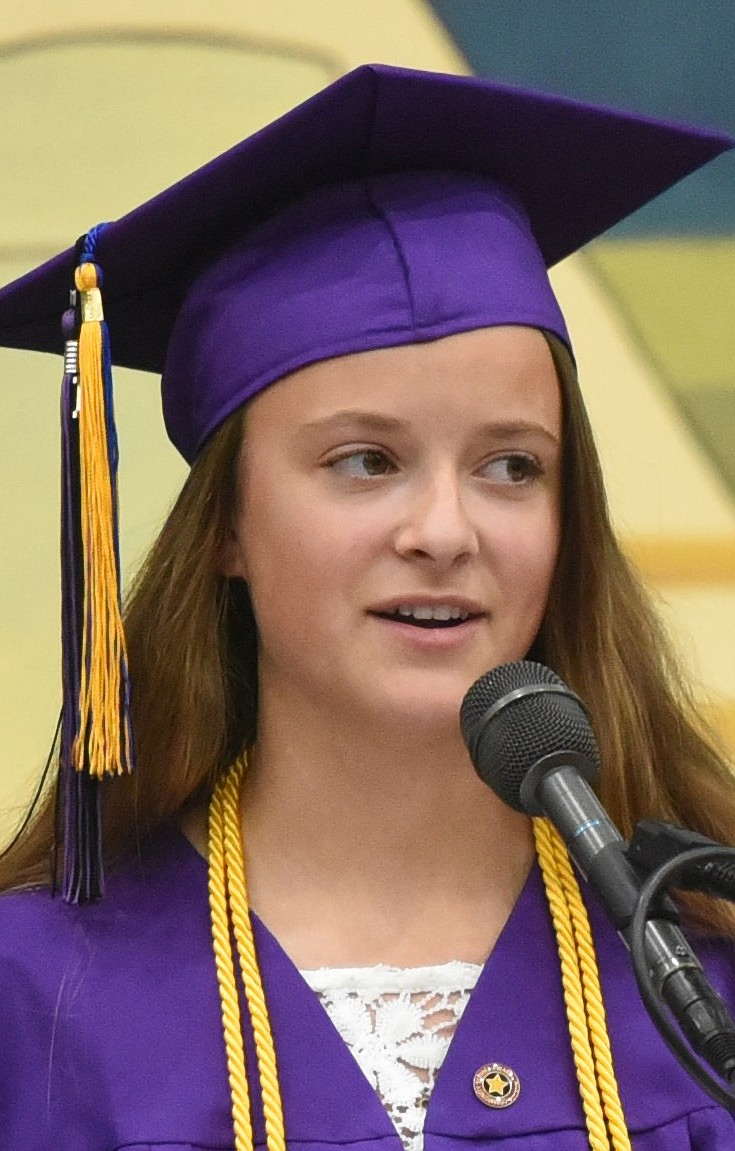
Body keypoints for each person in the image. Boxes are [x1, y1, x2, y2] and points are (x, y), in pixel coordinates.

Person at [0, 62, 734, 1150]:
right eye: (365, 459)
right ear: (227, 529)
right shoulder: (37, 1000)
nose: (444, 529)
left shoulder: (701, 980)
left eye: (512, 467)